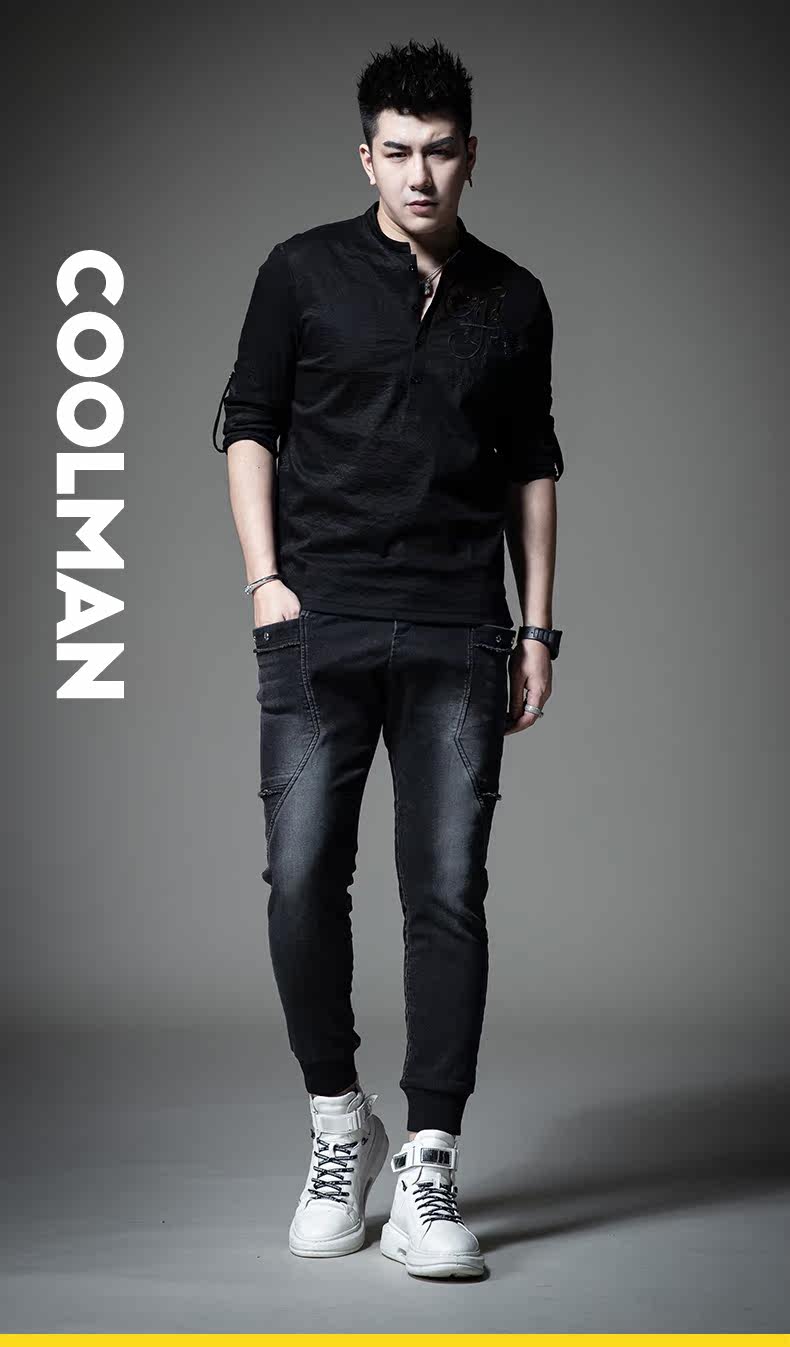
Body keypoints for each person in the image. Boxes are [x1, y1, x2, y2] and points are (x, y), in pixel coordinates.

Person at [212, 37, 564, 1279]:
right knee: (302, 877)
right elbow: (248, 425)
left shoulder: (513, 298)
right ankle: (336, 1123)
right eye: (398, 152)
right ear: (366, 156)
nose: (420, 175)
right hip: (321, 621)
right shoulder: (300, 272)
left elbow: (532, 465)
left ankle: (426, 1164)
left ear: (471, 157)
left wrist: (536, 626)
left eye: (440, 153)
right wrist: (266, 582)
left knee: (447, 890)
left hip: (460, 625)